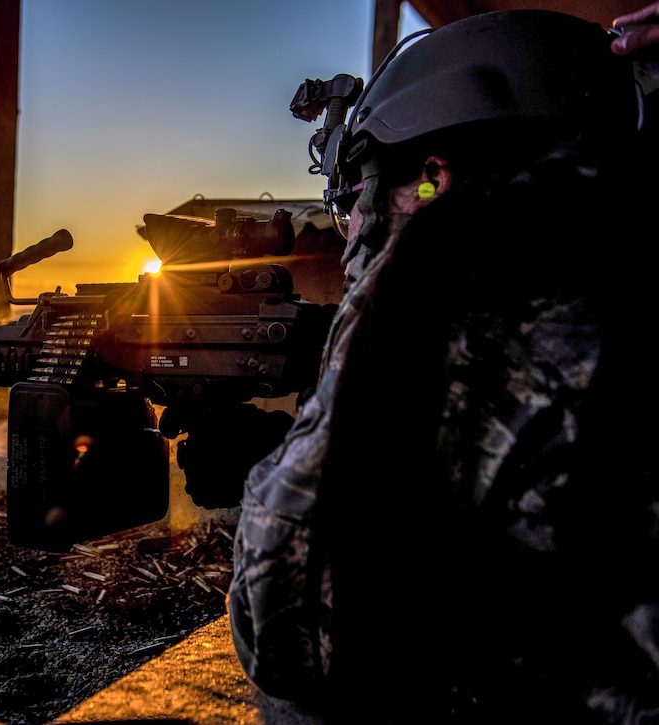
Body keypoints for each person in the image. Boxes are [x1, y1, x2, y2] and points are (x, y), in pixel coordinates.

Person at [227, 9, 659, 724]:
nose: (353, 235)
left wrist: (276, 460)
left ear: (432, 178)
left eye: (361, 195)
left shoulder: (464, 275)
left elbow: (281, 621)